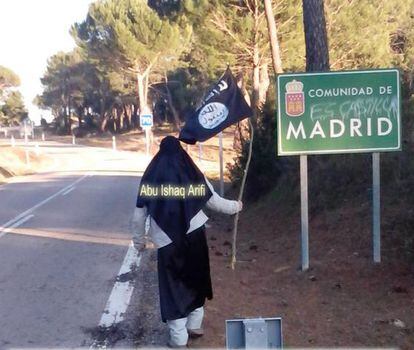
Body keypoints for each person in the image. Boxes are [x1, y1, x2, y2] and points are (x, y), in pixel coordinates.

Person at [132, 136, 242, 348]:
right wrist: (236, 206)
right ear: (181, 151)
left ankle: (179, 338)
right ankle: (195, 325)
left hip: (166, 241)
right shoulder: (191, 171)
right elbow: (213, 201)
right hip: (195, 235)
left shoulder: (150, 178)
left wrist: (139, 241)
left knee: (173, 288)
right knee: (196, 280)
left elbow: (138, 216)